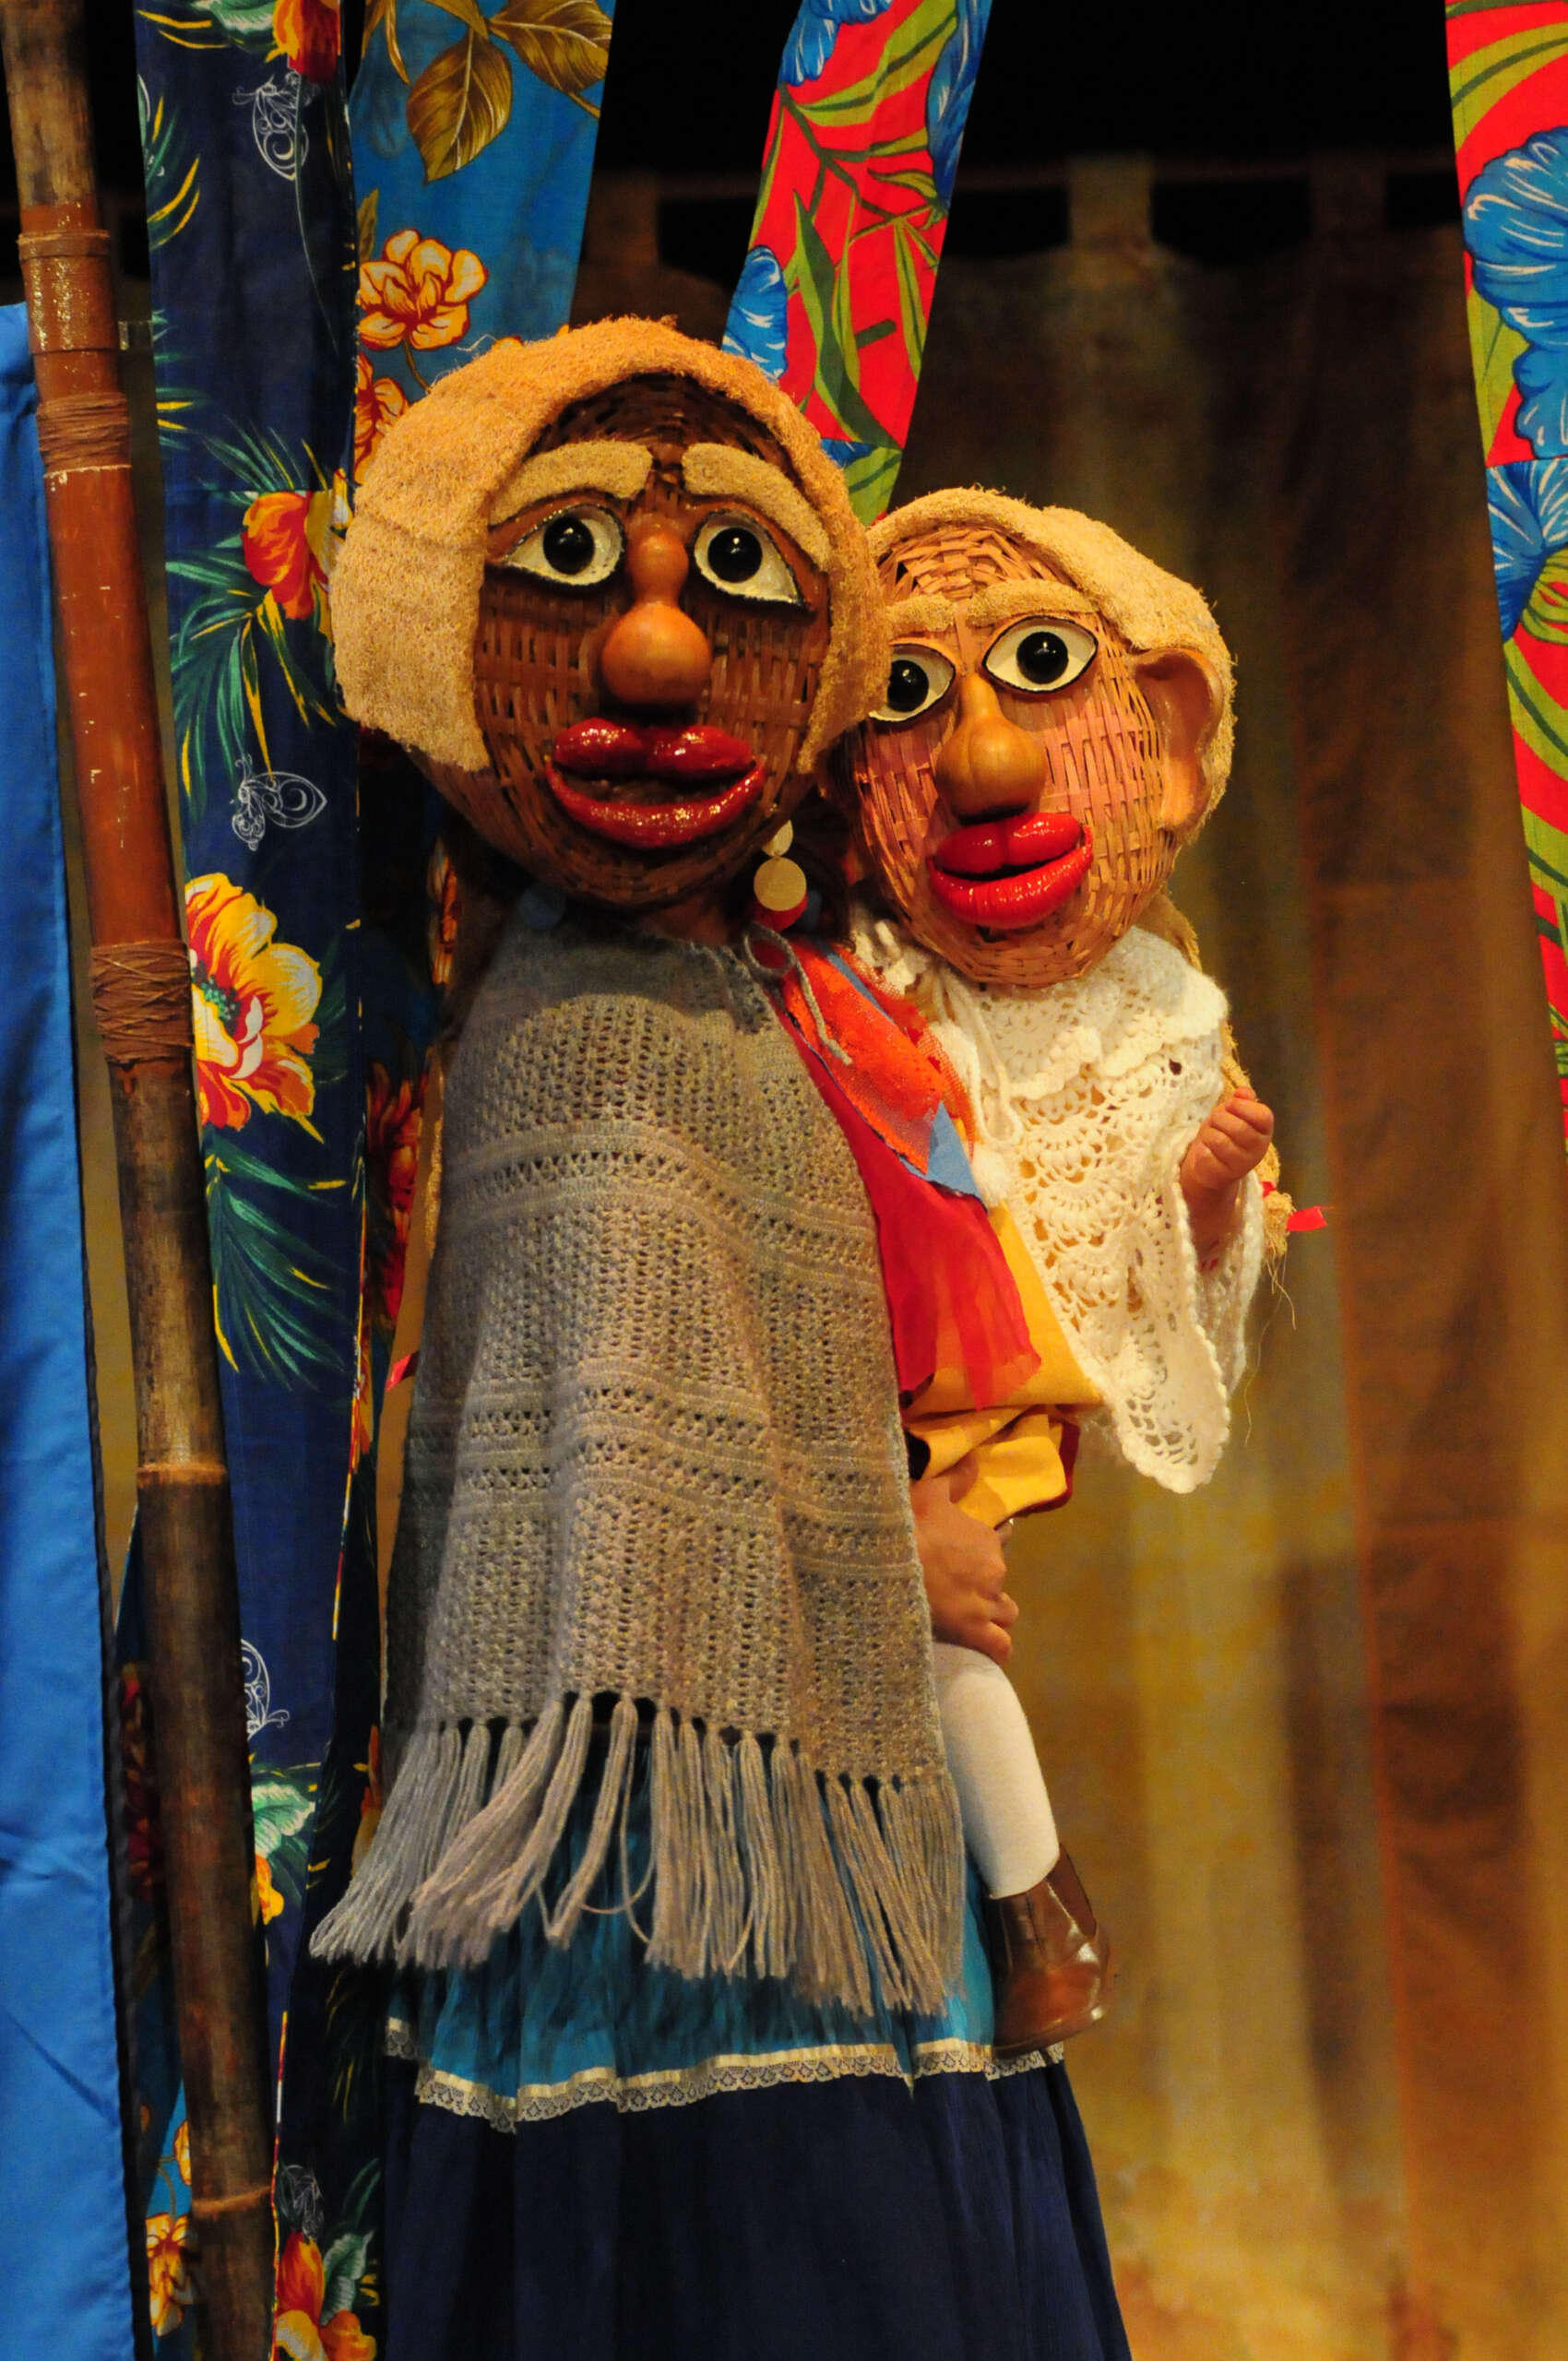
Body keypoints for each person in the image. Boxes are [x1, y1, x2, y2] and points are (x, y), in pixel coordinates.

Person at [314, 324, 1133, 2361]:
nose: (663, 653)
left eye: (737, 580)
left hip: (813, 1832)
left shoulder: (761, 1001)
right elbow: (613, 1498)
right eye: (574, 567)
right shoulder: (582, 1042)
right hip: (675, 1904)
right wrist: (884, 1539)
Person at [829, 488, 1283, 2057]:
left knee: (942, 1620)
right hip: (842, 1380)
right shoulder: (844, 975)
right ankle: (1038, 1908)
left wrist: (1203, 1200)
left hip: (976, 1384)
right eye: (910, 695)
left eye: (1037, 671)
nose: (987, 759)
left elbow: (1173, 1269)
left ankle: (1036, 1910)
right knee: (924, 1628)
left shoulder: (1154, 1010)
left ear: (1162, 737)